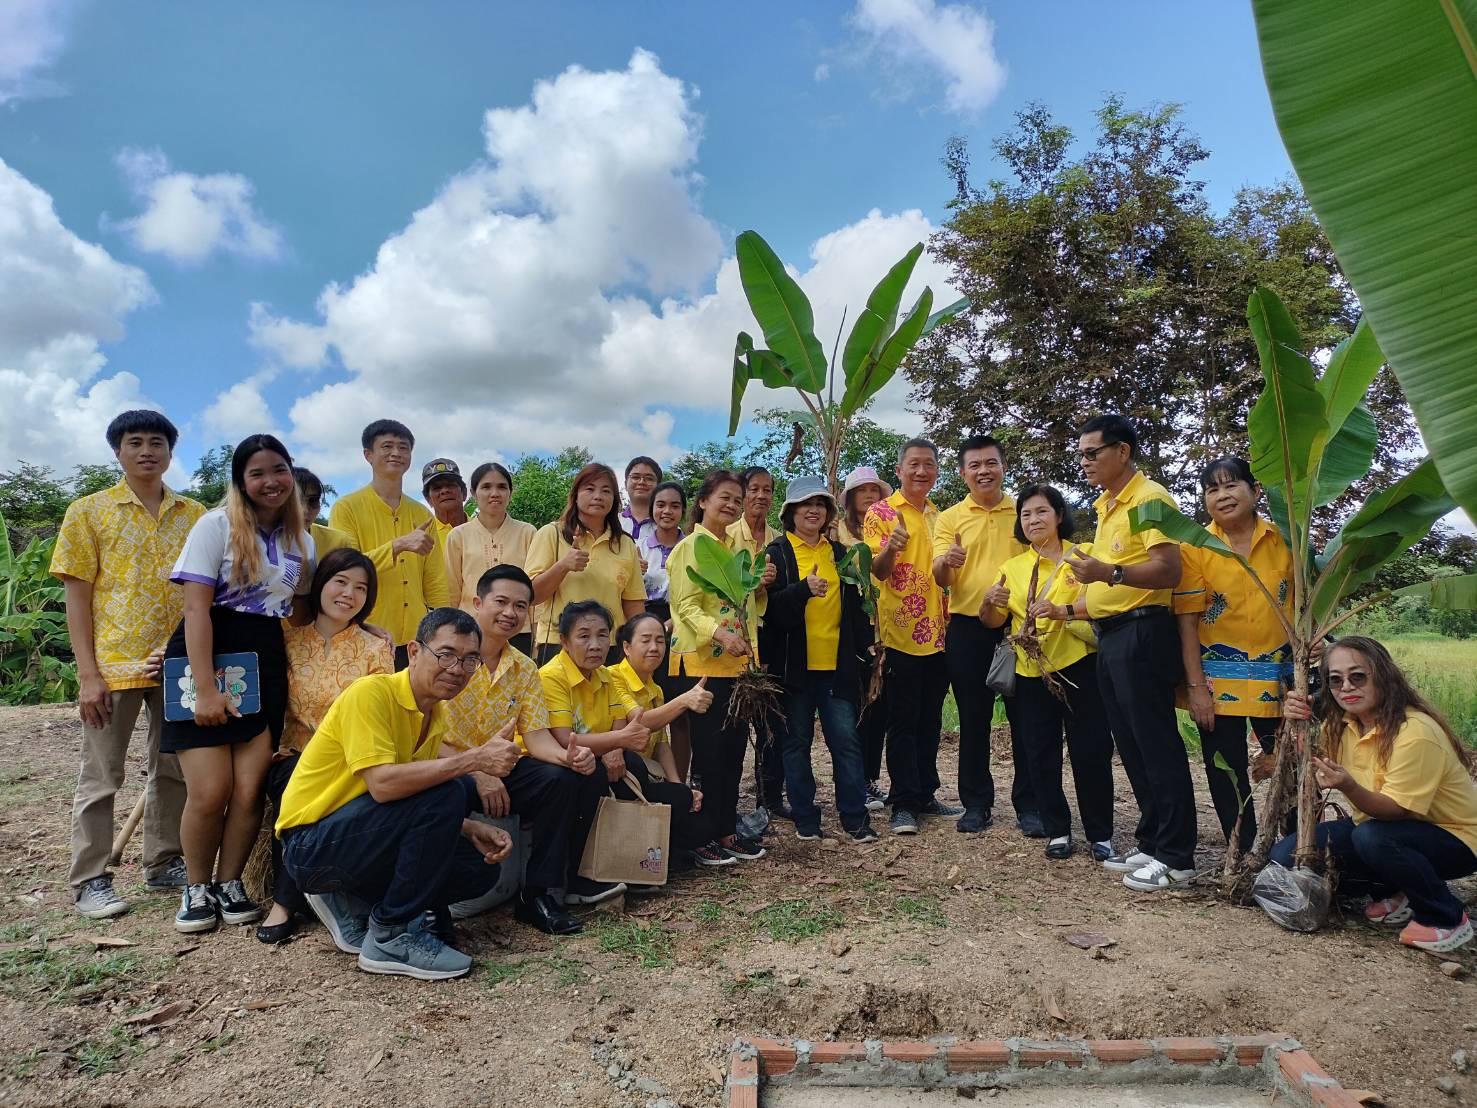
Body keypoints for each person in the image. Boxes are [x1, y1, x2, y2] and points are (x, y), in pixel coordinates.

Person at [276, 608, 515, 980]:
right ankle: (390, 934)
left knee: (475, 870)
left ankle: (357, 902)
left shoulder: (434, 715)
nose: (457, 669)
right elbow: (384, 785)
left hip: (357, 836)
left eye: (470, 660)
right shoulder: (372, 693)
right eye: (446, 654)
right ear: (415, 651)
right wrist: (475, 761)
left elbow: (411, 800)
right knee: (451, 790)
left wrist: (468, 828)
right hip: (310, 846)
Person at [51, 410, 205, 919]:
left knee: (174, 768)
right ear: (117, 451)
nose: (146, 451)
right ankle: (90, 877)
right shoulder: (89, 512)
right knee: (101, 775)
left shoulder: (194, 515)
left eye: (156, 442)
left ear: (169, 451)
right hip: (113, 666)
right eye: (134, 442)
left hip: (178, 663)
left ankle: (163, 862)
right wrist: (88, 675)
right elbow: (78, 597)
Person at [163, 434, 315, 934]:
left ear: (290, 473)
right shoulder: (215, 526)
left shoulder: (301, 540)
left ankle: (230, 884)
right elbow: (194, 609)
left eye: (279, 469)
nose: (270, 481)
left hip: (265, 658)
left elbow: (298, 611)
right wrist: (204, 689)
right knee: (210, 790)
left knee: (250, 791)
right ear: (241, 481)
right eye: (257, 473)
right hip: (207, 652)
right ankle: (196, 887)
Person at [441, 566, 616, 935]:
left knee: (566, 776)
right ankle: (430, 903)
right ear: (477, 603)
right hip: (447, 768)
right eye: (501, 602)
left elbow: (536, 739)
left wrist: (569, 757)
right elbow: (422, 736)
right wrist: (477, 770)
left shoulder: (524, 668)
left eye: (520, 606)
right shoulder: (448, 657)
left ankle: (538, 893)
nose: (510, 613)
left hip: (504, 768)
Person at [1276, 637, 1477, 954]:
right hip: (1380, 828)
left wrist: (1348, 786)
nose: (1346, 687)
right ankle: (1401, 890)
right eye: (1336, 680)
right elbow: (1308, 759)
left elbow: (1394, 811)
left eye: (1358, 676)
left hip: (1454, 838)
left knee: (1374, 838)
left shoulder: (1415, 732)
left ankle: (1446, 916)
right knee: (1285, 855)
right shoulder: (1344, 725)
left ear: (1383, 675)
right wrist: (1294, 720)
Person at [1060, 413, 1191, 892]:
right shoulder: (1107, 506)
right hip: (1112, 635)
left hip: (1143, 632)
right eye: (1081, 454)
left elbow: (1167, 570)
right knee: (1131, 744)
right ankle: (1153, 841)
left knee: (1156, 744)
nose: (1085, 461)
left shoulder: (1150, 499)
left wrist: (1109, 573)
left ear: (1123, 451)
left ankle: (1177, 857)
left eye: (1092, 452)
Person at [259, 548, 392, 944]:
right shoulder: (288, 641)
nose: (349, 594)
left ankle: (290, 900)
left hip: (353, 761)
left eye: (361, 588)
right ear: (320, 585)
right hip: (297, 755)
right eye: (341, 582)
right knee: (296, 786)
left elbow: (378, 713)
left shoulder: (376, 648)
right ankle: (287, 900)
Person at [983, 485, 1114, 861]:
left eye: (1041, 512)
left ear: (1059, 515)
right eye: (1025, 515)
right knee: (1039, 752)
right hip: (1030, 672)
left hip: (1080, 667)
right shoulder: (1013, 567)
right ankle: (1057, 828)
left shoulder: (1083, 559)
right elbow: (994, 621)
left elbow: (1104, 610)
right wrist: (991, 604)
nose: (1033, 520)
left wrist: (1062, 611)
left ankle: (1100, 833)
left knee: (1090, 750)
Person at [1174, 457, 1292, 854]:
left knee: (1288, 767)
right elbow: (1188, 622)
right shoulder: (1194, 547)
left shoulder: (1285, 542)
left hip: (1280, 678)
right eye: (1212, 489)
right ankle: (1241, 854)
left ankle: (1295, 851)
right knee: (1225, 771)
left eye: (1231, 485)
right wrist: (1196, 689)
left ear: (1255, 491)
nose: (1222, 495)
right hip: (1215, 677)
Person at [762, 477, 879, 844]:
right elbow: (771, 614)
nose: (813, 510)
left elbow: (857, 611)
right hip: (793, 670)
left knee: (845, 741)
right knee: (796, 743)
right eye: (804, 504)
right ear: (790, 512)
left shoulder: (842, 554)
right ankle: (805, 818)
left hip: (836, 666)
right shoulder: (776, 553)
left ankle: (855, 818)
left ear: (829, 512)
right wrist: (802, 590)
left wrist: (866, 652)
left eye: (820, 504)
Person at [932, 435, 1033, 835]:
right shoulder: (951, 518)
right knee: (973, 719)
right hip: (967, 627)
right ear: (962, 473)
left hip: (1019, 627)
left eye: (990, 463)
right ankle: (976, 803)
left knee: (1025, 717)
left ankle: (1030, 804)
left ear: (1003, 466)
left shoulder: (1022, 511)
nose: (983, 471)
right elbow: (940, 577)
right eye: (974, 465)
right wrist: (948, 562)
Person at [666, 470, 768, 864]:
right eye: (724, 497)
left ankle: (726, 831)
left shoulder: (732, 550)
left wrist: (758, 589)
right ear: (704, 500)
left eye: (737, 501)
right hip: (702, 665)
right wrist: (721, 636)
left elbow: (747, 610)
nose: (731, 505)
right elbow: (686, 607)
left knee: (731, 753)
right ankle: (701, 835)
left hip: (737, 669)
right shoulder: (694, 545)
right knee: (709, 757)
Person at [864, 439, 956, 835]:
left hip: (941, 633)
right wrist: (891, 548)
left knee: (930, 718)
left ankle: (925, 792)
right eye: (914, 465)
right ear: (899, 471)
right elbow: (878, 572)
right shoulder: (880, 513)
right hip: (900, 632)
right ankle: (902, 801)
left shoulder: (941, 516)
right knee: (902, 719)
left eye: (929, 465)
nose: (922, 472)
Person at [328, 420, 451, 666]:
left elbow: (435, 579)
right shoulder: (346, 508)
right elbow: (343, 572)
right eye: (387, 446)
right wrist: (398, 545)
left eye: (403, 447)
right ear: (368, 455)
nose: (396, 453)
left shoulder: (422, 514)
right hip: (365, 632)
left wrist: (444, 628)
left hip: (417, 639)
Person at [612, 612, 716, 872]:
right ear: (626, 647)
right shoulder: (613, 677)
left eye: (660, 640)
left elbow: (661, 743)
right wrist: (683, 701)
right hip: (621, 776)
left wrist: (679, 786)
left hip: (649, 778)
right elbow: (640, 723)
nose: (654, 647)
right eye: (645, 640)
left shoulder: (656, 689)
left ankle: (663, 853)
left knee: (703, 825)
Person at [526, 462, 646, 665]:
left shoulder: (625, 544)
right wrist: (563, 566)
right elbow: (531, 596)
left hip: (610, 647)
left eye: (606, 491)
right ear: (575, 495)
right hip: (560, 644)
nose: (598, 496)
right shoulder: (552, 534)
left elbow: (633, 605)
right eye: (590, 489)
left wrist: (640, 646)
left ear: (614, 499)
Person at [838, 465, 893, 812]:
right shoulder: (837, 531)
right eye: (863, 491)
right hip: (853, 628)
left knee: (880, 708)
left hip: (885, 623)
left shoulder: (888, 528)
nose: (870, 496)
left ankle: (871, 779)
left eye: (875, 490)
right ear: (850, 499)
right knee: (856, 705)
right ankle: (854, 780)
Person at [736, 465, 787, 819]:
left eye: (767, 490)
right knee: (734, 722)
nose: (761, 496)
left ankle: (769, 797)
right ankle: (721, 795)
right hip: (734, 635)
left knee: (772, 722)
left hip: (769, 635)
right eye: (754, 489)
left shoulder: (779, 539)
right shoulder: (724, 535)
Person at [445, 462, 536, 655]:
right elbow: (452, 591)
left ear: (510, 493)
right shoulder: (458, 535)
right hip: (470, 630)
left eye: (502, 487)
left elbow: (534, 588)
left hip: (518, 630)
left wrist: (536, 634)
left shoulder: (527, 532)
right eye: (486, 487)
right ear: (473, 493)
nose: (494, 493)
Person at [637, 480, 686, 624]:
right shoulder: (638, 548)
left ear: (683, 511)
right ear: (651, 508)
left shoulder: (693, 548)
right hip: (643, 624)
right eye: (660, 505)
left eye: (675, 506)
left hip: (684, 623)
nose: (667, 511)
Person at [293, 468, 355, 557]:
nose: (305, 510)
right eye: (296, 501)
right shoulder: (266, 542)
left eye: (313, 500)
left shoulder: (338, 542)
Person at [421, 458, 470, 543]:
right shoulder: (423, 537)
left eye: (450, 485)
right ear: (428, 499)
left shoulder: (485, 529)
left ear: (464, 493)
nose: (444, 491)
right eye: (437, 488)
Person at [621, 456, 663, 543]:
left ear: (659, 487)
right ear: (625, 484)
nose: (641, 482)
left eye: (649, 478)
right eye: (635, 477)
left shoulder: (669, 529)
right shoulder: (610, 523)